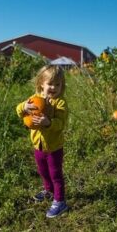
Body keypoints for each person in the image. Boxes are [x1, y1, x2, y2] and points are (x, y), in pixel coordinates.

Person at [16, 64, 69, 218]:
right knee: (43, 171)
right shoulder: (35, 99)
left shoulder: (60, 103)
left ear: (62, 86)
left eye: (57, 84)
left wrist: (49, 123)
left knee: (55, 174)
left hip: (53, 147)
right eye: (50, 84)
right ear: (41, 84)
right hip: (38, 145)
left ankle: (60, 201)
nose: (53, 87)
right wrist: (24, 107)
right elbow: (19, 110)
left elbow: (61, 124)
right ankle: (48, 190)